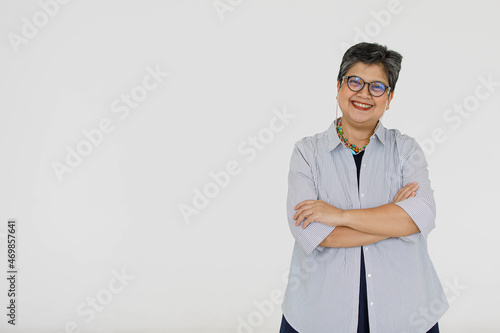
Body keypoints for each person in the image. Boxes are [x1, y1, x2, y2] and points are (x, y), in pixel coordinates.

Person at [280, 42, 448, 333]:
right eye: (354, 81)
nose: (364, 93)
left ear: (389, 97)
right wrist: (395, 221)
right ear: (339, 87)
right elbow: (312, 234)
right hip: (319, 314)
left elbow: (423, 216)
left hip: (405, 312)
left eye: (377, 87)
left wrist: (338, 216)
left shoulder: (405, 149)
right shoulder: (307, 153)